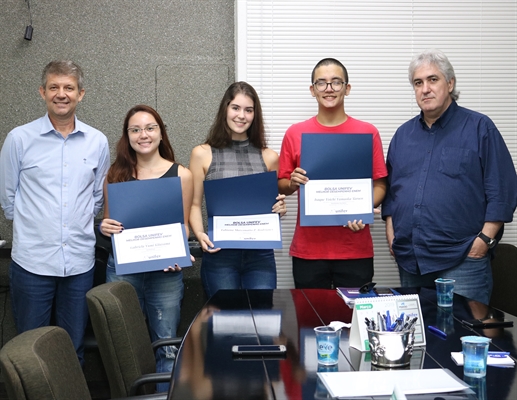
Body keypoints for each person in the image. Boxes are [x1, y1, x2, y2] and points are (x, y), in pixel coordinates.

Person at [382, 49, 517, 305]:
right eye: (418, 83)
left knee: (464, 337)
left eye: (433, 80)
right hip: (412, 262)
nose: (425, 89)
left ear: (450, 83)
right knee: (417, 339)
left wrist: (484, 241)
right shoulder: (402, 135)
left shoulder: (479, 127)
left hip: (463, 260)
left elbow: (503, 189)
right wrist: (392, 233)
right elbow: (392, 192)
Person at [0, 60, 110, 365]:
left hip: (79, 265)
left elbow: (95, 200)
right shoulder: (19, 139)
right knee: (29, 352)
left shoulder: (97, 142)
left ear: (81, 94)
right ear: (42, 92)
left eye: (69, 88)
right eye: (54, 87)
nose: (61, 94)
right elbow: (9, 200)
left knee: (72, 350)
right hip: (32, 264)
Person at [99, 104, 193, 384]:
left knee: (167, 343)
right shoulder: (115, 174)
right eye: (135, 129)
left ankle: (163, 393)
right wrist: (105, 227)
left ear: (161, 133)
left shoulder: (181, 175)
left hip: (166, 271)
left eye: (150, 128)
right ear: (127, 136)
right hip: (123, 268)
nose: (144, 134)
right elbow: (108, 222)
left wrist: (179, 251)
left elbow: (184, 226)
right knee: (124, 344)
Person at [278, 58, 387, 289]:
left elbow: (380, 185)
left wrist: (363, 210)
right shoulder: (295, 133)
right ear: (312, 90)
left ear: (347, 88)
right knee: (309, 321)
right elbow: (282, 184)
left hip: (355, 249)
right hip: (308, 251)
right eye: (322, 83)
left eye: (336, 82)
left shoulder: (367, 132)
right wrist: (293, 182)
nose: (329, 88)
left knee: (354, 321)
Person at [188, 81, 287, 298]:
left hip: (260, 255)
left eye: (248, 110)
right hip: (220, 254)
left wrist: (279, 208)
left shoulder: (269, 156)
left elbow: (272, 205)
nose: (241, 115)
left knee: (261, 321)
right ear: (225, 109)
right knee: (224, 323)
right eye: (235, 108)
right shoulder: (202, 153)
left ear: (255, 115)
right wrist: (200, 235)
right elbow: (194, 204)